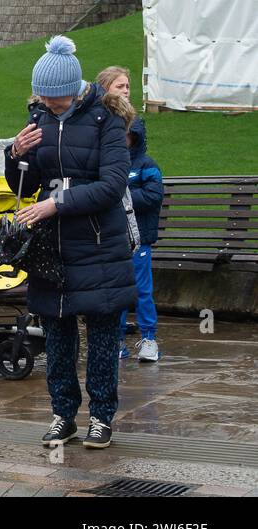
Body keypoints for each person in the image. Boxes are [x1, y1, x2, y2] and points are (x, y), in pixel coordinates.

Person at [7, 36, 136, 450]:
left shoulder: (106, 120)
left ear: (73, 89)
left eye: (54, 98)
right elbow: (22, 187)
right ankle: (63, 414)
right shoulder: (39, 115)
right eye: (42, 97)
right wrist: (16, 154)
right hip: (52, 248)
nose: (46, 104)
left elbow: (112, 186)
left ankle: (101, 416)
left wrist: (56, 205)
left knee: (101, 334)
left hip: (98, 243)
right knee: (57, 335)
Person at [98, 86, 163, 364]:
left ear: (135, 137)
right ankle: (117, 340)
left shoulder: (146, 164)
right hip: (116, 238)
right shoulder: (112, 163)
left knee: (142, 290)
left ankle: (149, 338)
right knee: (118, 292)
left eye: (127, 135)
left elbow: (153, 195)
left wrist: (121, 197)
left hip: (140, 240)